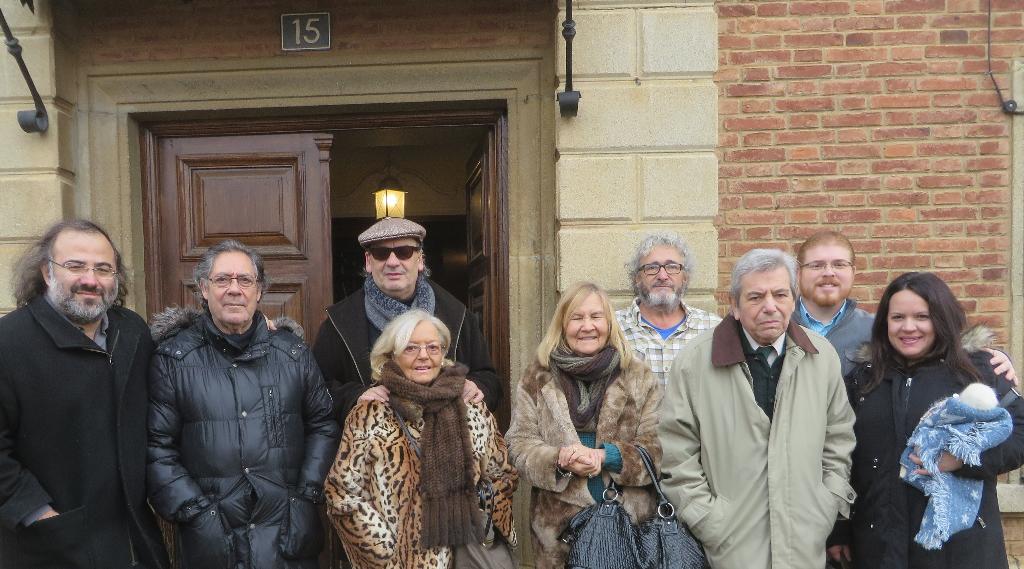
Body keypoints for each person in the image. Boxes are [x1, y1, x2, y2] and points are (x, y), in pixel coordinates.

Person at [147, 240, 339, 569]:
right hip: (212, 543)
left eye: (245, 280)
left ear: (259, 291)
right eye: (222, 280)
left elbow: (323, 424)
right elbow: (156, 447)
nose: (234, 289)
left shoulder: (292, 353)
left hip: (287, 538)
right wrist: (195, 512)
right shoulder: (174, 359)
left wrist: (306, 493)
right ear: (204, 289)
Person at [659, 248, 856, 569]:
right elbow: (677, 453)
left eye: (780, 294)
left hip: (803, 544)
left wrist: (825, 505)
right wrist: (709, 519)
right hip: (730, 548)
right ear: (734, 305)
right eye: (755, 297)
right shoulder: (695, 362)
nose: (770, 306)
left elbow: (839, 439)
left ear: (794, 300)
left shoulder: (822, 356)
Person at [0, 219, 169, 569]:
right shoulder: (8, 343)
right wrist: (40, 516)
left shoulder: (132, 331)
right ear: (47, 273)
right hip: (50, 549)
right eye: (74, 266)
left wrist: (257, 330)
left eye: (103, 268)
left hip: (133, 543)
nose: (90, 279)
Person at [827, 272, 1024, 569]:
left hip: (961, 548)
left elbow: (1020, 434)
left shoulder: (979, 372)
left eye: (922, 316)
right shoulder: (863, 380)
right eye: (897, 318)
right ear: (885, 323)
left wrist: (963, 458)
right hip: (879, 548)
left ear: (942, 318)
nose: (909, 327)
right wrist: (839, 529)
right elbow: (842, 457)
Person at [325, 309, 517, 568]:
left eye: (432, 347)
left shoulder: (471, 405)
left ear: (443, 353)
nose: (423, 356)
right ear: (392, 355)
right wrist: (385, 553)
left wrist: (481, 514)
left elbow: (502, 473)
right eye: (411, 348)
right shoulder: (370, 413)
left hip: (468, 558)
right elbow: (342, 493)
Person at [506, 281, 662, 569]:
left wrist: (608, 457)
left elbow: (658, 449)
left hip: (629, 527)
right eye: (576, 318)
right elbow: (519, 445)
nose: (587, 326)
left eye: (596, 317)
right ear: (562, 324)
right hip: (557, 533)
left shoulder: (638, 376)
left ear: (609, 323)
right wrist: (559, 460)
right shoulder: (537, 376)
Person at [313, 217, 501, 421]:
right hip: (372, 445)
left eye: (404, 252)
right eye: (381, 253)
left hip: (444, 445)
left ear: (420, 260)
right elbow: (317, 389)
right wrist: (354, 396)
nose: (393, 262)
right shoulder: (339, 323)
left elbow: (489, 379)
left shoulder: (457, 315)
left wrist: (477, 387)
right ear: (368, 262)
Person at [794, 230, 1016, 381]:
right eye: (817, 265)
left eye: (839, 264)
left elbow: (943, 348)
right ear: (799, 271)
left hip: (854, 448)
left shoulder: (880, 330)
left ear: (853, 272)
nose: (828, 272)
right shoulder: (776, 326)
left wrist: (994, 358)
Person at [615, 231, 721, 384]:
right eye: (652, 267)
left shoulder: (712, 327)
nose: (663, 276)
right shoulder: (614, 327)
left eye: (672, 267)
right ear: (638, 278)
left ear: (685, 278)